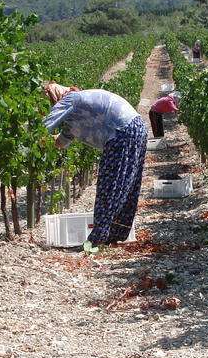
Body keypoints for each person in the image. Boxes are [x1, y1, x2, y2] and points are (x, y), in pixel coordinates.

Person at [42, 82, 147, 246]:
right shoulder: (74, 116)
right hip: (135, 128)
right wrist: (43, 141)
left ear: (53, 95)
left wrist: (21, 138)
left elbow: (43, 126)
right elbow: (61, 141)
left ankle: (97, 240)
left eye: (46, 102)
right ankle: (115, 234)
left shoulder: (71, 99)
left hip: (121, 131)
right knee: (125, 186)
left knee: (109, 187)